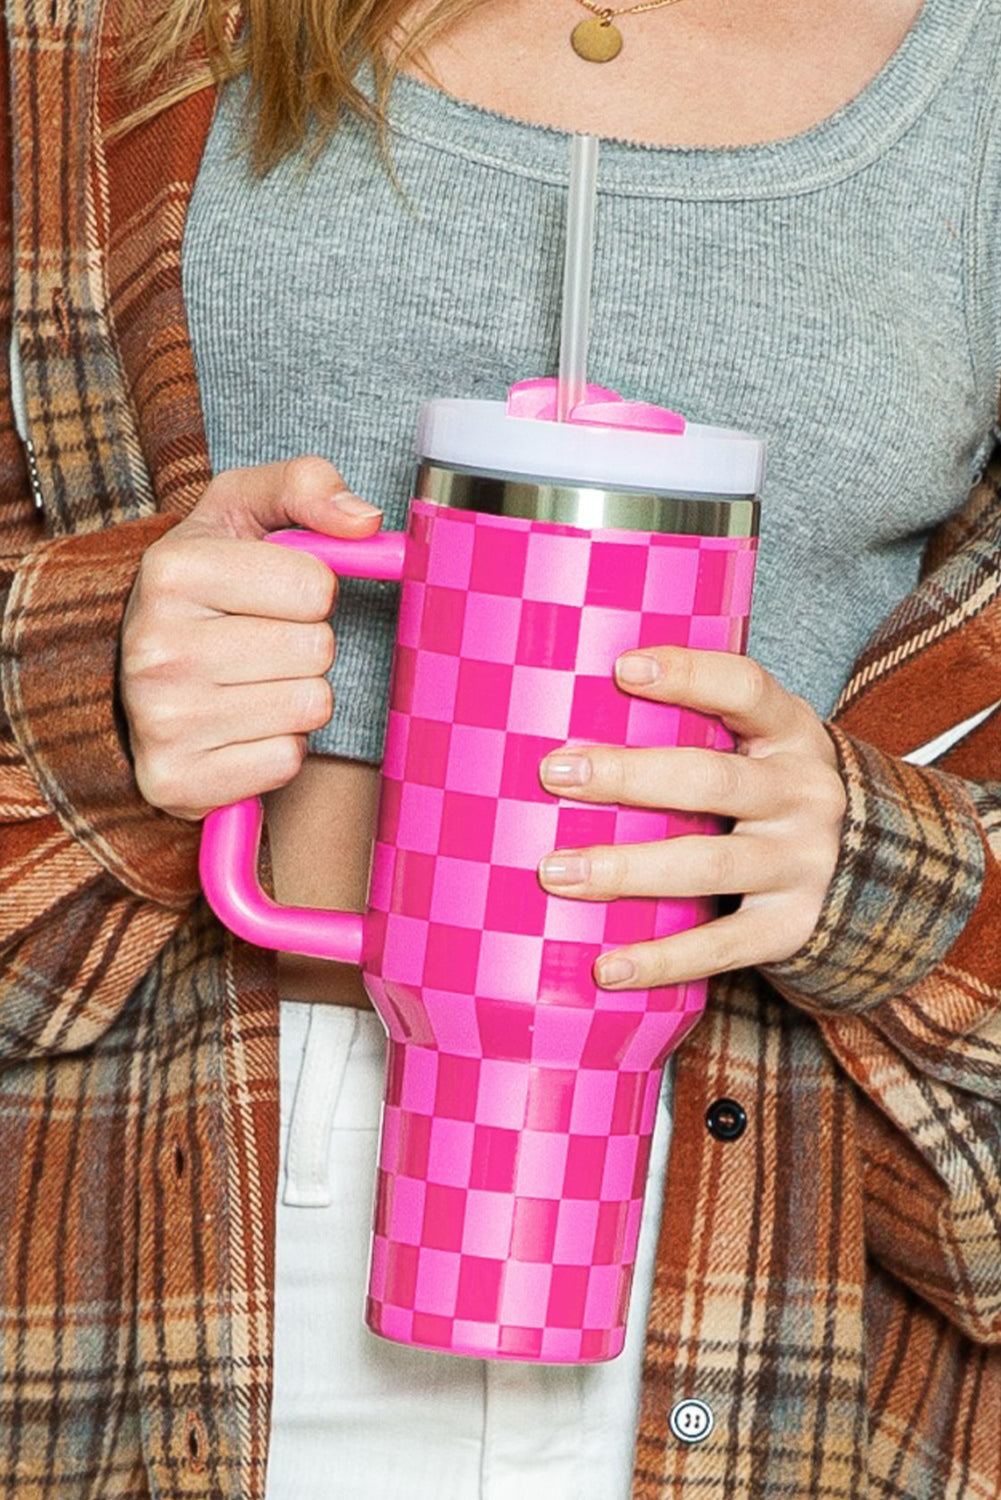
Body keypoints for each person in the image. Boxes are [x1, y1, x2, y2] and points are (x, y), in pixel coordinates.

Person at [1, 0, 999, 1495]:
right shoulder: (86, 32)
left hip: (753, 1223)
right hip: (143, 1175)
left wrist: (865, 860)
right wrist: (88, 662)